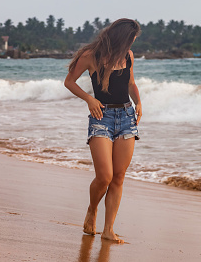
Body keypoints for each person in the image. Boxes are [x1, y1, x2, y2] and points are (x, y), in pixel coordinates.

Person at [64, 18, 142, 243]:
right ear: (121, 37)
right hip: (101, 117)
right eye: (131, 39)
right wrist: (89, 98)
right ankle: (92, 209)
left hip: (127, 117)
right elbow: (70, 81)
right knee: (104, 176)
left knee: (118, 177)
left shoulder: (128, 56)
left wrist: (139, 102)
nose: (132, 44)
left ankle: (108, 229)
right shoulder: (90, 55)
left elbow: (130, 84)